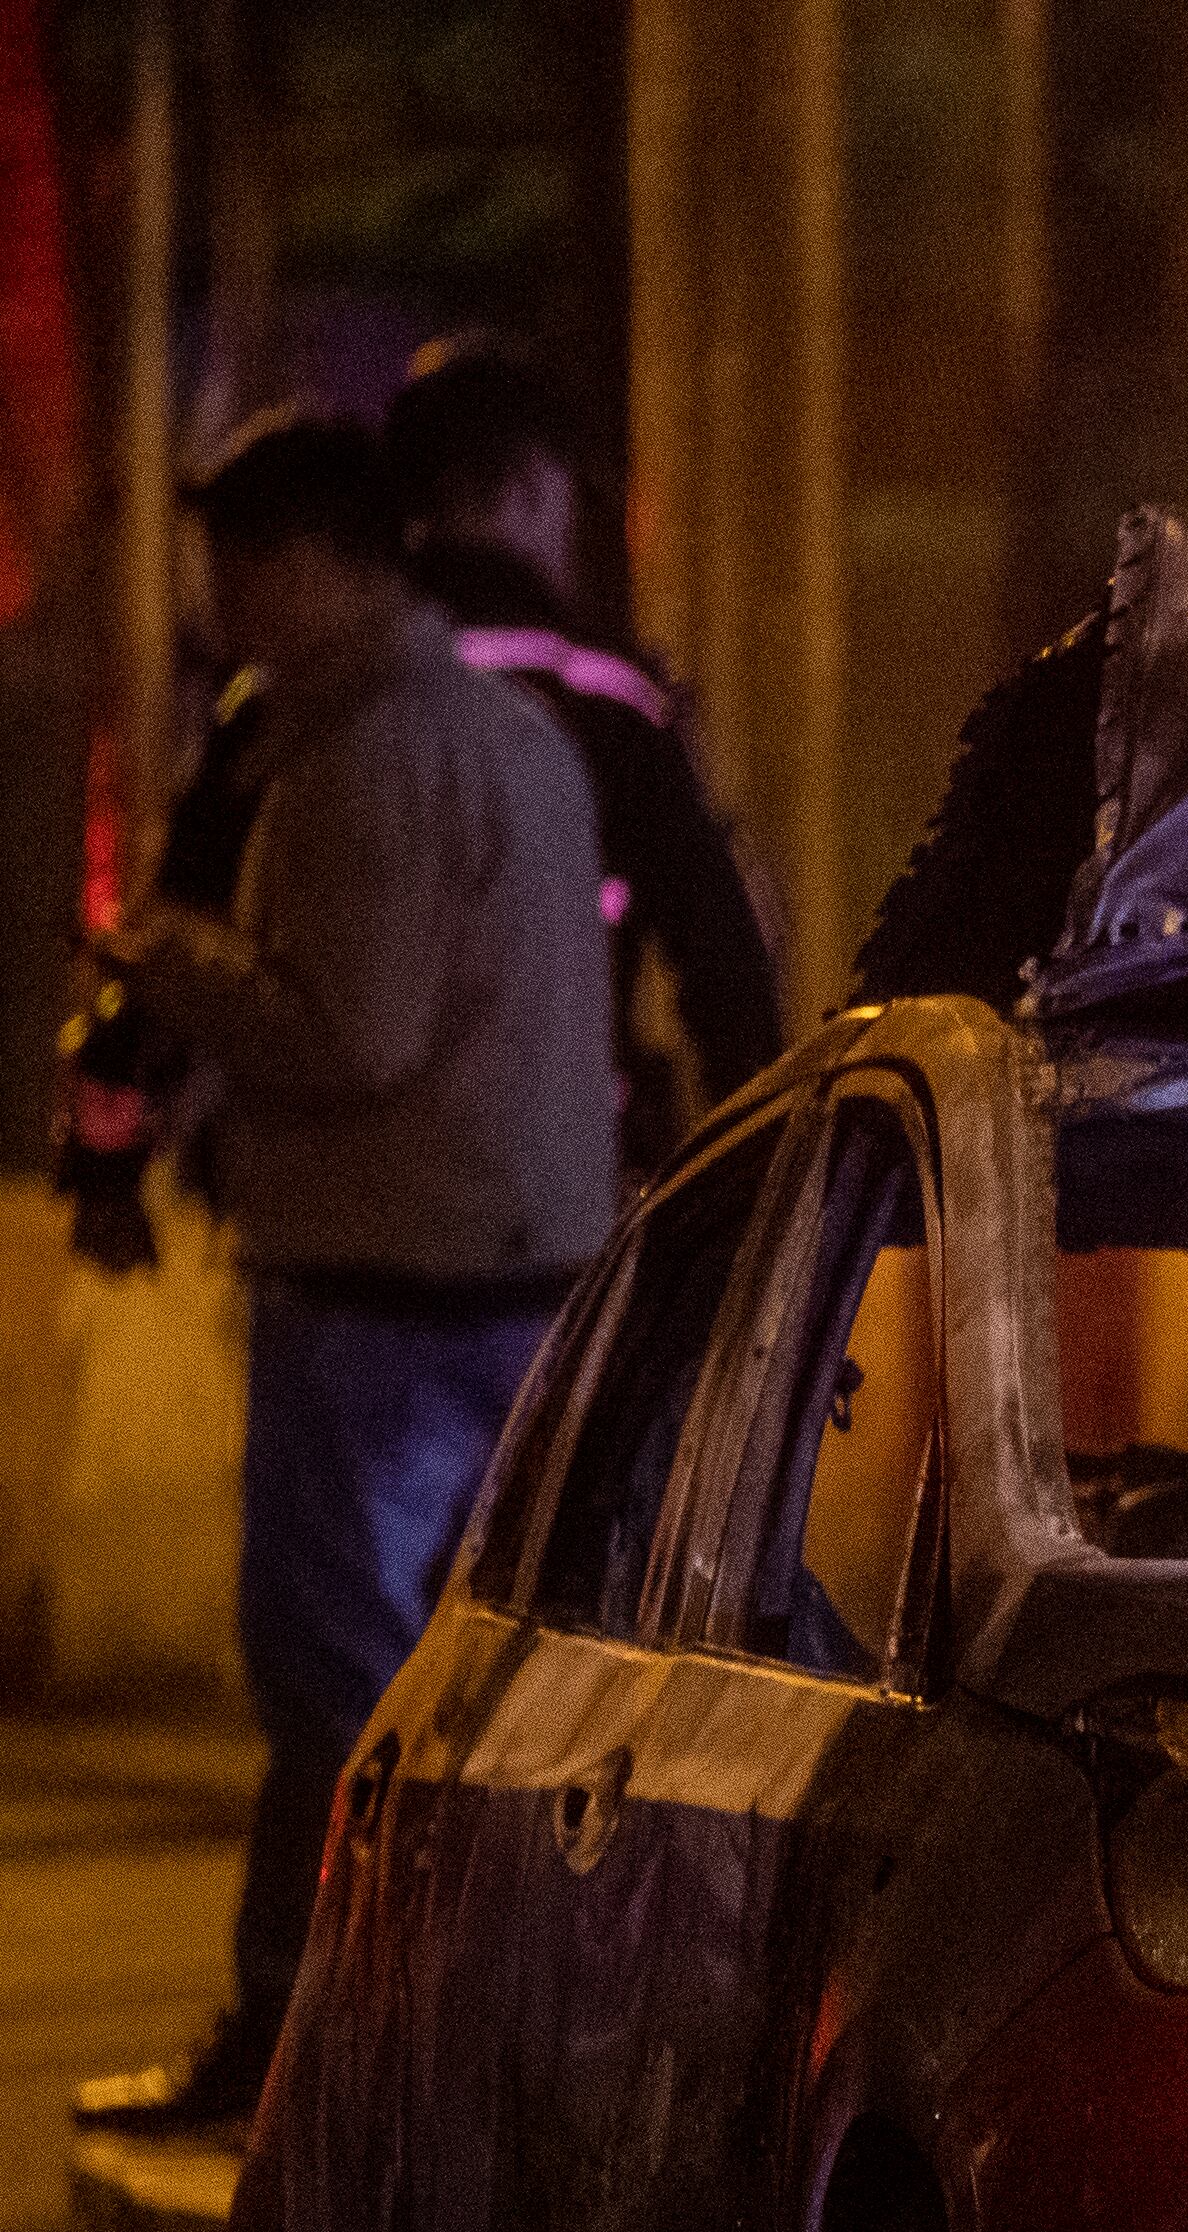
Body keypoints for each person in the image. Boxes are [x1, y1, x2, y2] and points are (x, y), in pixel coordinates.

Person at [69, 415, 619, 2139]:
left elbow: (345, 1030)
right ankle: (472, 2050)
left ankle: (300, 2042)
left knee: (335, 1687)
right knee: (486, 1694)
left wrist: (168, 957)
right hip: (517, 1281)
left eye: (238, 559)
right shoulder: (511, 737)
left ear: (312, 562)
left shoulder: (360, 760)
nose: (218, 596)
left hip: (378, 1296)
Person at [383, 332, 785, 1171]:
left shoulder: (320, 692)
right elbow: (723, 962)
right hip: (563, 1186)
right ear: (531, 485)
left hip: (342, 1208)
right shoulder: (611, 699)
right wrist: (756, 1174)